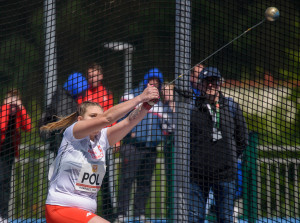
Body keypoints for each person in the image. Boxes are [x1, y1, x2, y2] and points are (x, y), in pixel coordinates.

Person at [41, 84, 159, 223]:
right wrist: (140, 98)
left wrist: (147, 105)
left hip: (85, 211)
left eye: (98, 116)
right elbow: (107, 119)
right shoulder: (74, 132)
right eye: (92, 116)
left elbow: (128, 122)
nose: (97, 120)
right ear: (80, 120)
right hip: (62, 208)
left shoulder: (103, 138)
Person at [189, 67, 248, 223]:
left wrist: (229, 159)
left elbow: (242, 138)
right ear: (199, 85)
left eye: (214, 81)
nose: (210, 85)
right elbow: (184, 140)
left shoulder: (231, 106)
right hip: (198, 175)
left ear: (219, 84)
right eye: (206, 82)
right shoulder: (191, 108)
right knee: (195, 218)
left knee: (225, 218)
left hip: (225, 174)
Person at [114, 68, 174, 223]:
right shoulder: (131, 96)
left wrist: (170, 103)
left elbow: (170, 127)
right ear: (145, 81)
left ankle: (140, 213)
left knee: (145, 182)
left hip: (151, 149)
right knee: (127, 179)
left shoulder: (160, 104)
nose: (153, 84)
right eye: (151, 81)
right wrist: (128, 134)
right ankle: (121, 214)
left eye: (157, 82)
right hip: (132, 146)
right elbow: (120, 118)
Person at [77, 62, 116, 220]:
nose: (93, 78)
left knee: (106, 179)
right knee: (85, 177)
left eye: (95, 75)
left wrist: (116, 140)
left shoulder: (107, 93)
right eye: (90, 75)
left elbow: (111, 117)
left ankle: (108, 214)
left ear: (101, 76)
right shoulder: (83, 94)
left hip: (103, 142)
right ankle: (84, 210)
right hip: (86, 144)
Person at [0, 89, 32, 223]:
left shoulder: (19, 114)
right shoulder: (2, 111)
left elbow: (28, 127)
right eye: (10, 101)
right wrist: (6, 108)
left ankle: (3, 216)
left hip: (9, 152)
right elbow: (2, 126)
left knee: (6, 184)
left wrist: (21, 108)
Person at [39, 72, 88, 156]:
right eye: (81, 91)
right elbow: (64, 124)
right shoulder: (64, 100)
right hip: (62, 144)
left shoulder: (64, 96)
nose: (82, 93)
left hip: (60, 142)